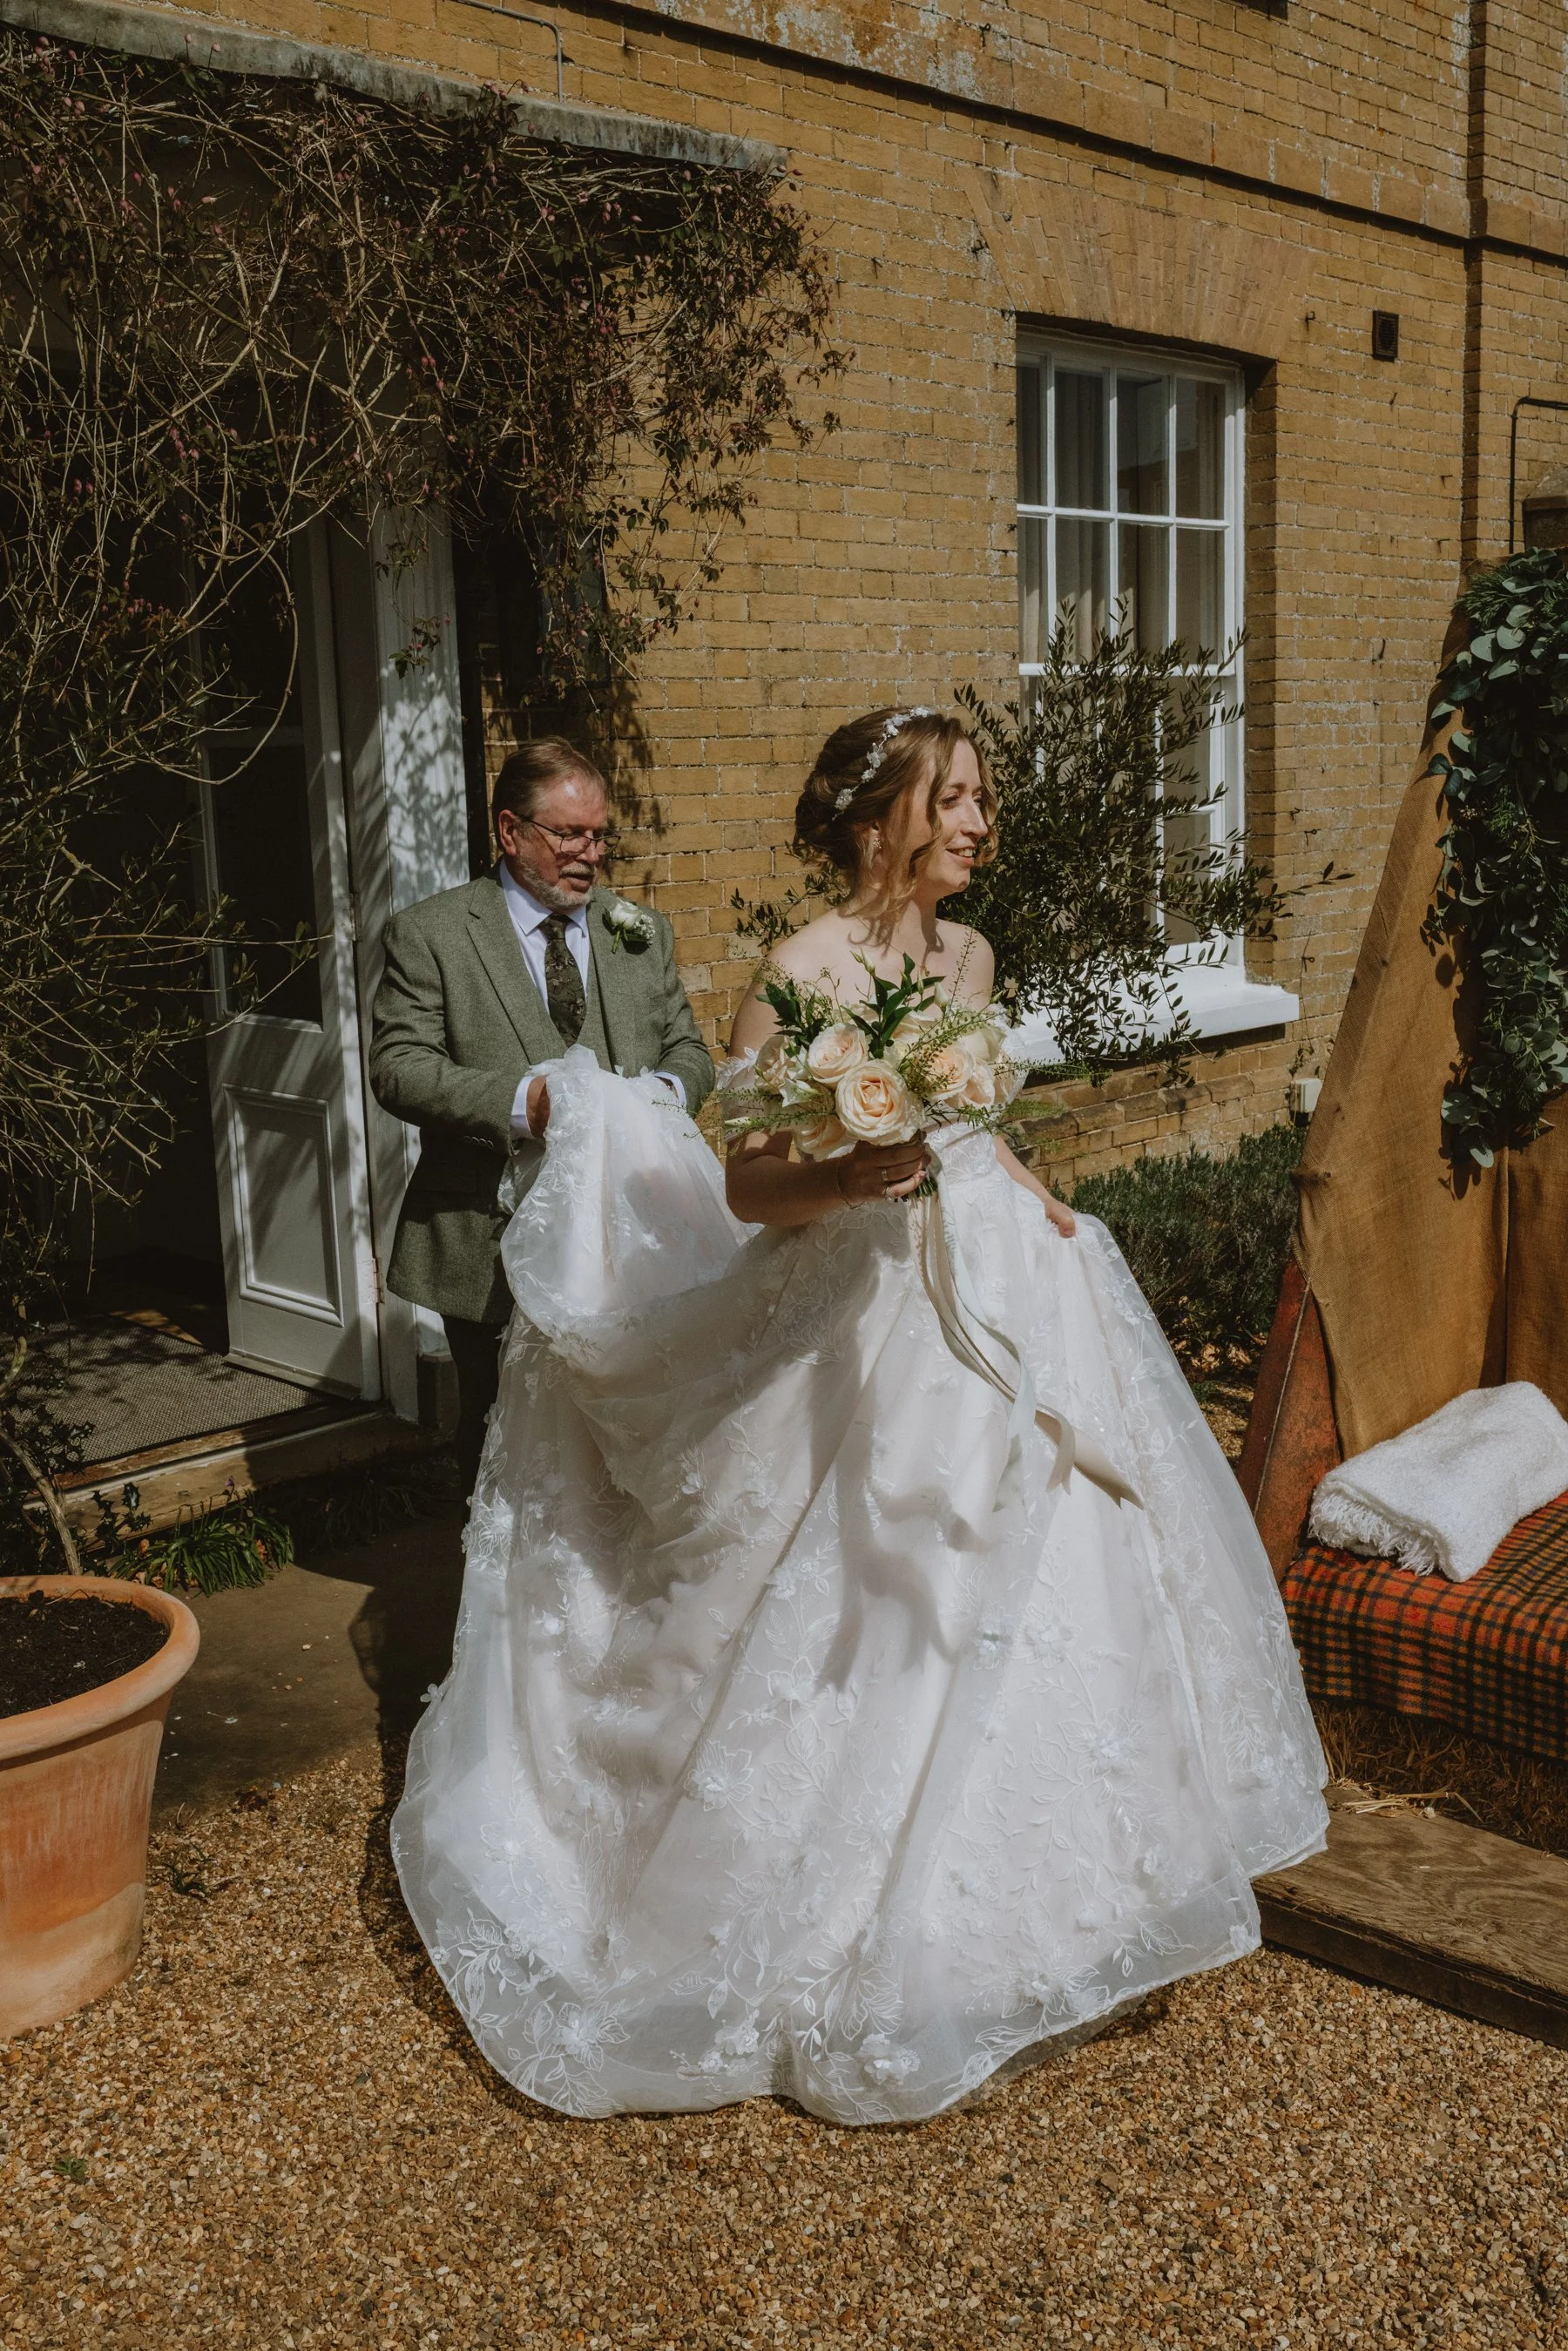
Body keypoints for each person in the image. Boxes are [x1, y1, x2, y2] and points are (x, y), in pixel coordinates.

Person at [392, 706, 1328, 2125]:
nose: (976, 821)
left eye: (981, 798)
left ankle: (1051, 1900)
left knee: (1038, 1562)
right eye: (951, 798)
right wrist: (859, 1174)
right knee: (850, 1582)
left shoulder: (970, 955)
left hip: (996, 1288)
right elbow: (755, 1182)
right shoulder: (799, 970)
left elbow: (981, 1125)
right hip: (854, 1304)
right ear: (881, 812)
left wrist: (1039, 1203)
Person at [368, 738, 715, 1491]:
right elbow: (398, 1069)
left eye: (599, 836)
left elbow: (691, 1052)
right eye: (568, 834)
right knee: (502, 1437)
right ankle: (494, 1600)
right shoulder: (432, 933)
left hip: (635, 1231)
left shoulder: (639, 931)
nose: (588, 854)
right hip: (490, 1244)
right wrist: (522, 1104)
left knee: (629, 1427)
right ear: (509, 830)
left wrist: (655, 1096)